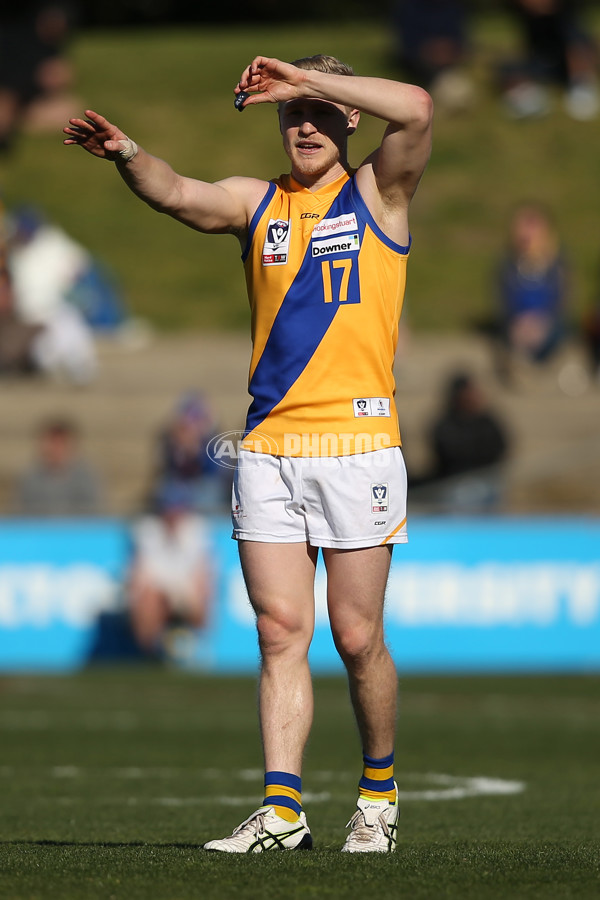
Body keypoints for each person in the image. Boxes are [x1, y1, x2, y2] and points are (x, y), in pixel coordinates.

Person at [63, 53, 433, 853]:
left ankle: (378, 795)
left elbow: (418, 108)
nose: (302, 126)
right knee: (278, 631)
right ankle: (284, 812)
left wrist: (306, 80)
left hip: (360, 444)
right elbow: (177, 192)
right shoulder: (258, 203)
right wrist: (129, 156)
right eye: (289, 114)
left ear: (346, 115)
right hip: (270, 447)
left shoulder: (380, 192)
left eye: (318, 112)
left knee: (358, 635)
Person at [126, 481, 213, 658]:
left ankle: (191, 649)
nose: (173, 514)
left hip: (185, 590)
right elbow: (140, 575)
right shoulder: (146, 531)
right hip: (157, 589)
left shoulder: (197, 530)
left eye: (176, 509)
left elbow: (202, 575)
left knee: (200, 598)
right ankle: (149, 654)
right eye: (169, 508)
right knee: (149, 599)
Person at [409, 371, 510, 513]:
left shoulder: (487, 422)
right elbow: (449, 454)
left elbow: (500, 448)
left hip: (485, 481)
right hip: (453, 483)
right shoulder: (445, 424)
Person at [499, 0, 599, 120]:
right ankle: (526, 95)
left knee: (571, 33)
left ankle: (581, 83)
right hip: (540, 53)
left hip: (568, 39)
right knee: (508, 68)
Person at [15, 416, 103, 516]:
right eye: (53, 443)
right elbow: (21, 514)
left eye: (61, 443)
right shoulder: (30, 478)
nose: (56, 449)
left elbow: (94, 513)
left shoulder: (87, 477)